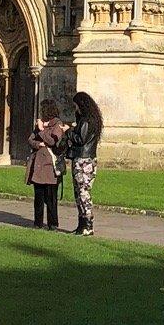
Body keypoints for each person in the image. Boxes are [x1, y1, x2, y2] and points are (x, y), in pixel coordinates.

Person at [61, 91, 103, 237]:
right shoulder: (88, 120)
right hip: (84, 158)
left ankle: (88, 225)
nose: (75, 109)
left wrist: (68, 131)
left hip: (84, 159)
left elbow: (81, 139)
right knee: (78, 192)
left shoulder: (86, 121)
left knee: (83, 192)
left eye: (76, 106)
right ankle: (81, 225)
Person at [26, 108, 65, 230]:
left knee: (51, 198)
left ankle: (52, 224)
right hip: (38, 165)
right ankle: (37, 222)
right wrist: (38, 144)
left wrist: (42, 130)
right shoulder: (40, 124)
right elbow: (30, 139)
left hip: (50, 166)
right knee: (38, 197)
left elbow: (53, 141)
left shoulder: (57, 124)